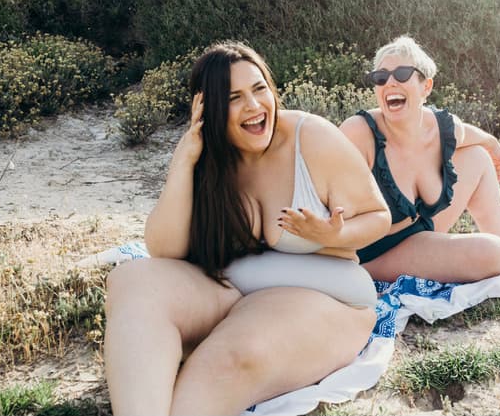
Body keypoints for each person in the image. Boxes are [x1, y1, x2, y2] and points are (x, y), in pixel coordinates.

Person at [104, 42, 391, 415]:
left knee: (229, 358)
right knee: (133, 280)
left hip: (325, 299)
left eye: (259, 89)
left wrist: (331, 235)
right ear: (209, 110)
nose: (255, 106)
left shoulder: (311, 138)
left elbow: (378, 216)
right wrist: (184, 161)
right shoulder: (210, 157)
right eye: (235, 97)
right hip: (231, 291)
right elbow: (164, 250)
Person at [340, 35, 500, 283]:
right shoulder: (359, 132)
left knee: (477, 156)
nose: (390, 82)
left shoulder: (440, 127)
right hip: (371, 255)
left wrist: (491, 142)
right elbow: (325, 195)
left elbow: (467, 133)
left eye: (402, 74)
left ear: (426, 87)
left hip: (419, 234)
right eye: (381, 77)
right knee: (493, 254)